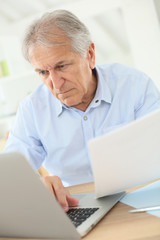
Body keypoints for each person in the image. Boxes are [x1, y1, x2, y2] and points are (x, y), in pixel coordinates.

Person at [4, 10, 160, 212]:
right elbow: (10, 174)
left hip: (141, 198)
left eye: (62, 66)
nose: (56, 84)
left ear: (90, 55)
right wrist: (35, 185)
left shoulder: (134, 85)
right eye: (43, 72)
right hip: (76, 207)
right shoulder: (33, 109)